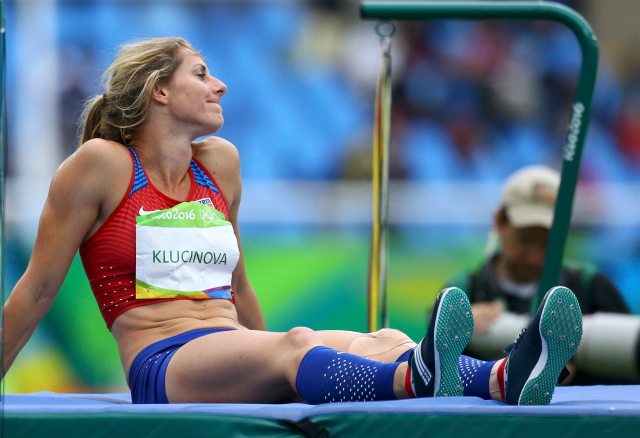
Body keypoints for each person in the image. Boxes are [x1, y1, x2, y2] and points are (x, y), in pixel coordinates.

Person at [1, 37, 583, 405]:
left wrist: (254, 358)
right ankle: (419, 379)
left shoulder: (219, 165)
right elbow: (36, 290)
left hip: (227, 344)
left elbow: (238, 285)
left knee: (386, 338)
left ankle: (504, 376)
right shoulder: (101, 166)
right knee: (295, 345)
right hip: (164, 363)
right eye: (201, 73)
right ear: (158, 91)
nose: (220, 84)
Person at [445, 165, 635, 384]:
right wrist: (458, 330)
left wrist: (577, 369)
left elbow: (629, 371)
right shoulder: (462, 294)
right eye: (525, 239)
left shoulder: (592, 288)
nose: (534, 256)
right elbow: (434, 374)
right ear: (499, 221)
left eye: (547, 242)